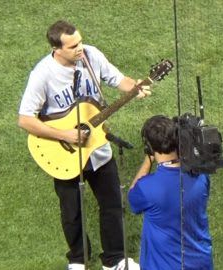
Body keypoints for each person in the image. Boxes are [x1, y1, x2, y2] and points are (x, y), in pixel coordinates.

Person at [18, 20, 149, 270]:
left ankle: (115, 259)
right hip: (63, 152)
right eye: (73, 46)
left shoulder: (91, 55)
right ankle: (78, 259)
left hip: (98, 146)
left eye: (80, 41)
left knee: (111, 204)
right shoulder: (42, 74)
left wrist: (136, 87)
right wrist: (65, 135)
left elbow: (118, 79)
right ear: (57, 49)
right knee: (72, 212)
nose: (80, 48)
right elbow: (25, 119)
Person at [128, 115, 214, 270]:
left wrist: (148, 160)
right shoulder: (202, 175)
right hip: (201, 263)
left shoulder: (146, 188)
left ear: (149, 148)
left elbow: (133, 196)